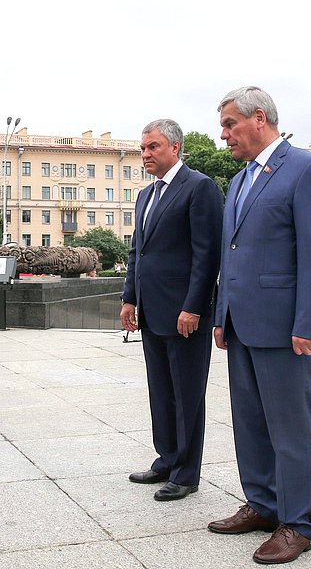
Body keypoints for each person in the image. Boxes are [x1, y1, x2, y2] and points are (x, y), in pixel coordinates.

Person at [208, 86, 311, 564]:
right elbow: (232, 254)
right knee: (250, 423)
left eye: (229, 125)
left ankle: (297, 524)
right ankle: (263, 504)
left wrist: (310, 323)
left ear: (258, 118)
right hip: (241, 325)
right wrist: (222, 315)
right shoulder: (240, 179)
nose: (223, 135)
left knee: (290, 428)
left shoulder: (306, 169)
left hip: (286, 328)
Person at [119, 119, 223, 502]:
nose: (145, 154)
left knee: (187, 394)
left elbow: (206, 254)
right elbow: (137, 252)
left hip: (185, 316)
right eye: (143, 148)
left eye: (153, 147)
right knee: (161, 392)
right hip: (151, 312)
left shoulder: (200, 188)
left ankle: (186, 473)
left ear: (175, 148)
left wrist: (194, 306)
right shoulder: (146, 196)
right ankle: (166, 458)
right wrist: (130, 298)